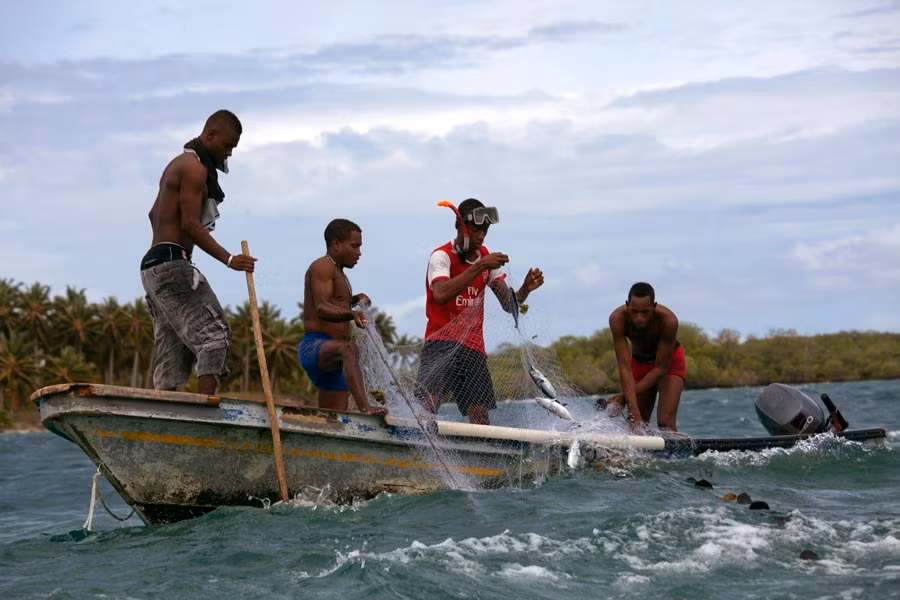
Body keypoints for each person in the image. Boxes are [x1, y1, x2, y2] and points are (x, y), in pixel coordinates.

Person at [140, 110, 256, 395]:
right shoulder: (194, 168)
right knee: (215, 337)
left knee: (173, 351)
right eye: (227, 146)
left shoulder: (177, 165)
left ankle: (165, 414)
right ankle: (206, 411)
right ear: (210, 135)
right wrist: (229, 259)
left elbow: (153, 213)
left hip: (152, 268)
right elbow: (190, 223)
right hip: (171, 262)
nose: (228, 154)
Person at [416, 198, 544, 425]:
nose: (481, 236)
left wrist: (525, 289)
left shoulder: (485, 257)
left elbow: (508, 304)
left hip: (472, 347)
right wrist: (480, 266)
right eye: (476, 230)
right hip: (440, 343)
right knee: (427, 408)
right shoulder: (442, 256)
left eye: (485, 231)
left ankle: (481, 456)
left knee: (480, 418)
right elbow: (440, 293)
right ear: (459, 225)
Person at [299, 219, 388, 416]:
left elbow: (335, 302)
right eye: (354, 246)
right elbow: (322, 308)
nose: (359, 253)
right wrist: (352, 313)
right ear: (336, 244)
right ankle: (365, 407)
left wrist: (356, 299)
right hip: (316, 347)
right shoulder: (322, 266)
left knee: (333, 420)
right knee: (349, 348)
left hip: (336, 360)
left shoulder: (339, 273)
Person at [606, 282, 686, 432]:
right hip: (639, 362)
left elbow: (660, 369)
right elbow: (624, 367)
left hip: (669, 362)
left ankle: (675, 453)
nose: (639, 318)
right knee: (637, 423)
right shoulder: (617, 319)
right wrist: (632, 408)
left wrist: (624, 398)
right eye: (634, 312)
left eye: (645, 312)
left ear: (654, 307)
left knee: (665, 422)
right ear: (627, 305)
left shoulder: (669, 321)